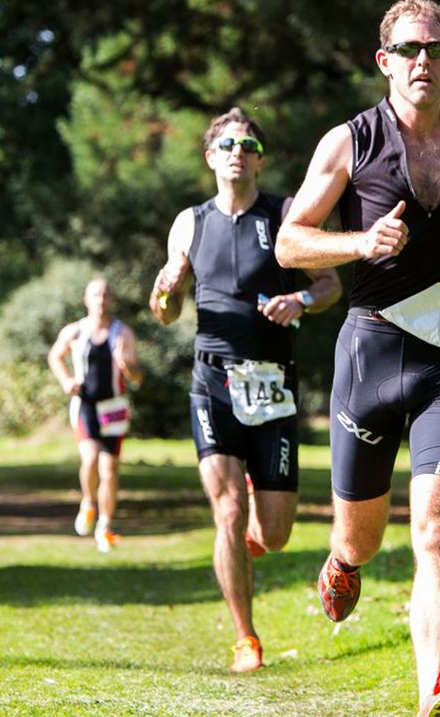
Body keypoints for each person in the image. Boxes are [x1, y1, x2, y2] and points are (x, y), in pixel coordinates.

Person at [275, 0, 440, 715]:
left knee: (438, 530)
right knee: (364, 538)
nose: (424, 61)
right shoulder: (349, 141)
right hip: (370, 354)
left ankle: (435, 691)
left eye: (435, 49)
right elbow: (291, 240)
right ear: (385, 62)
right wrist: (359, 244)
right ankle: (344, 560)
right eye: (410, 49)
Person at [149, 107, 342, 673]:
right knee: (228, 511)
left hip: (273, 384)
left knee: (276, 534)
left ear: (260, 158)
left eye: (248, 143)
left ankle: (248, 540)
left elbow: (330, 283)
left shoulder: (285, 215)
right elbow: (167, 310)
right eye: (228, 143)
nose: (238, 150)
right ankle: (245, 639)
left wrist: (299, 300)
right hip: (212, 381)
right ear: (211, 156)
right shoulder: (189, 222)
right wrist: (165, 296)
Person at [48, 278, 144, 553]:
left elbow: (138, 377)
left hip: (114, 407)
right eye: (95, 295)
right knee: (89, 460)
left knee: (109, 469)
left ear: (111, 300)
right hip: (86, 406)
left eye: (105, 295)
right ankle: (88, 503)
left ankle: (105, 525)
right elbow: (55, 356)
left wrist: (128, 368)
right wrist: (66, 380)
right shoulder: (75, 331)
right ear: (86, 300)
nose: (100, 300)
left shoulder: (122, 333)